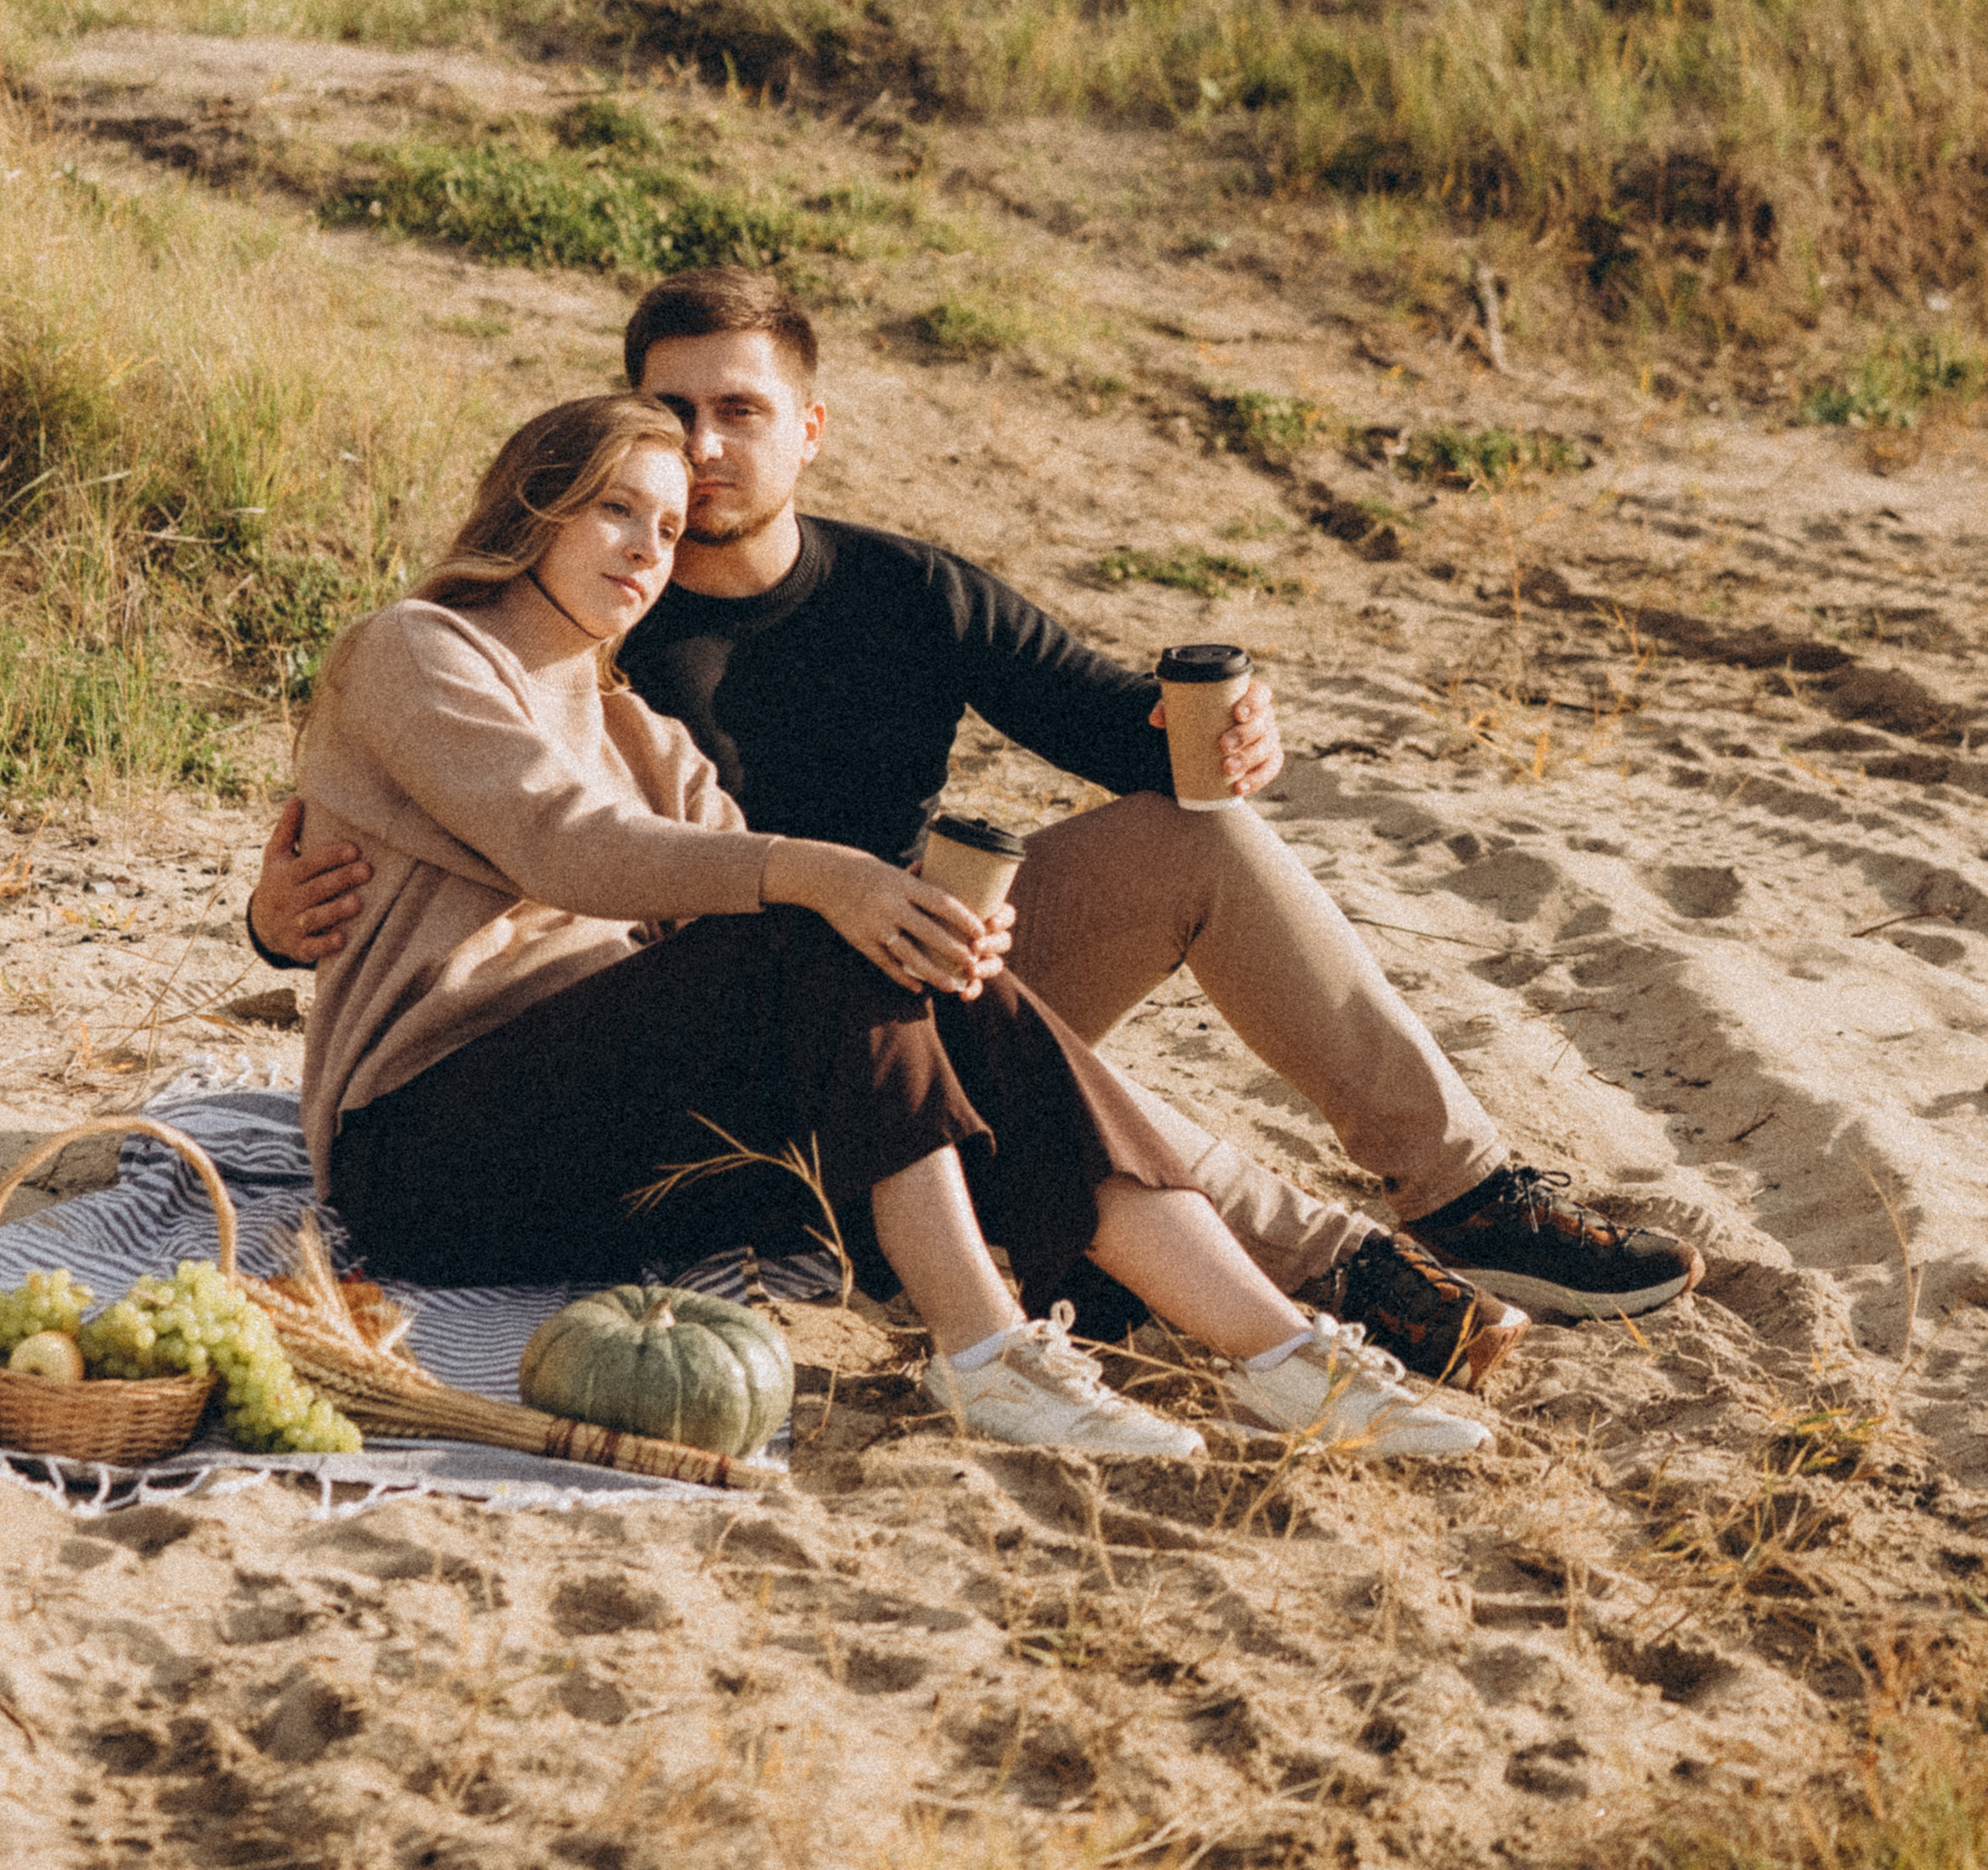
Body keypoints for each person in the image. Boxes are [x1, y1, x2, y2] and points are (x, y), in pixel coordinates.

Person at [255, 268, 1704, 1381]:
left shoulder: (896, 595)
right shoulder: (572, 631)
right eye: (667, 426)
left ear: (807, 428)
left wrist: (1231, 728)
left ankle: (1468, 1199)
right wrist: (271, 918)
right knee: (888, 982)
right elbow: (456, 837)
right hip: (734, 1031)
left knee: (1198, 841)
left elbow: (1121, 723)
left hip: (899, 979)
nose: (693, 467)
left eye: (737, 413)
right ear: (571, 489)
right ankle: (1314, 1281)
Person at [293, 389, 1496, 1462]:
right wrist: (829, 881)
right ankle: (985, 1352)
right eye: (616, 510)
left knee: (890, 951)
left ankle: (1286, 1356)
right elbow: (572, 848)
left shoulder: (634, 730)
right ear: (536, 505)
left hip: (614, 1159)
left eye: (666, 529)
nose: (648, 551)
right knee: (819, 916)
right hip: (429, 1157)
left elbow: (707, 882)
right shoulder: (419, 648)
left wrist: (907, 938)